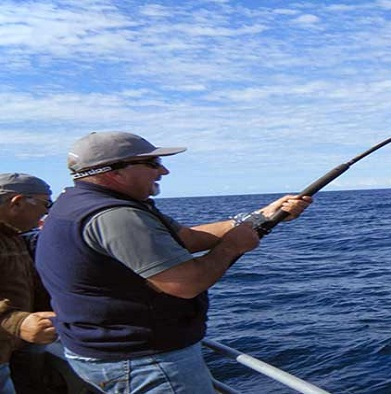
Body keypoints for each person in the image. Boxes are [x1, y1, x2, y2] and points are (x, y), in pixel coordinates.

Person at [36, 131, 312, 393]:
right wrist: (232, 246)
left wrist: (260, 217)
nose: (163, 171)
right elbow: (184, 283)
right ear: (113, 171)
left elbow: (187, 238)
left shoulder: (79, 203)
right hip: (144, 361)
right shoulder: (117, 216)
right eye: (152, 163)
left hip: (104, 351)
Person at [0, 173, 58, 394]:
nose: (47, 211)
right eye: (46, 204)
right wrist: (18, 322)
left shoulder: (12, 236)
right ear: (17, 202)